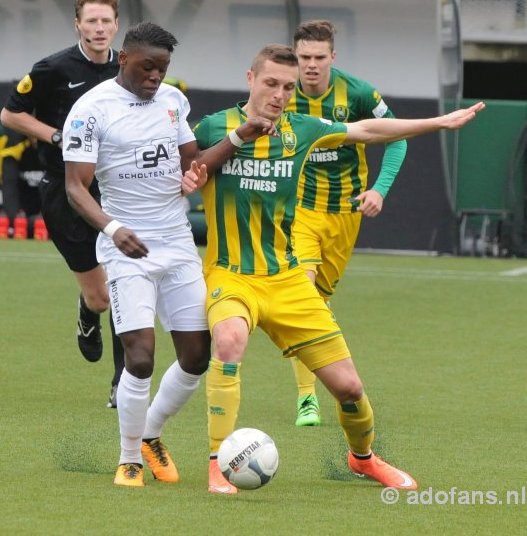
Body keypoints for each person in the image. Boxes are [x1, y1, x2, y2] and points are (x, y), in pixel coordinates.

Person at [180, 44, 484, 494]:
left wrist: (437, 122)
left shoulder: (303, 129)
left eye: (288, 86)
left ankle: (363, 459)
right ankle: (216, 464)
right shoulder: (212, 127)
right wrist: (188, 177)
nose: (280, 94)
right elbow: (180, 168)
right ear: (250, 78)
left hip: (286, 280)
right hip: (231, 273)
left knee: (350, 389)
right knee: (229, 340)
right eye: (271, 83)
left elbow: (366, 129)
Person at [62, 22, 277, 487]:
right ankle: (129, 460)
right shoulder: (90, 110)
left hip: (177, 244)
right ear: (123, 58)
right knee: (139, 358)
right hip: (125, 249)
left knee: (197, 357)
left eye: (163, 69)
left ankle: (150, 435)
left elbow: (191, 164)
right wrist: (114, 229)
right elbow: (75, 187)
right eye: (147, 66)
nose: (155, 76)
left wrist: (239, 137)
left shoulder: (173, 102)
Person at [0, 0, 125, 407]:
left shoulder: (129, 68)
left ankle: (123, 383)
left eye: (106, 21)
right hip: (65, 190)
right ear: (78, 25)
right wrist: (55, 136)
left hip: (115, 189)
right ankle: (88, 311)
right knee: (102, 297)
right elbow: (11, 114)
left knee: (126, 287)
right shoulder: (53, 68)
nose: (99, 28)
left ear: (116, 25)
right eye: (91, 21)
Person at [286, 20, 408, 427]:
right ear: (296, 56)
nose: (311, 65)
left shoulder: (357, 93)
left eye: (320, 58)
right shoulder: (281, 91)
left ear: (332, 58)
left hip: (344, 213)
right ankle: (307, 397)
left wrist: (380, 189)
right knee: (302, 293)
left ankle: (323, 385)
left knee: (318, 301)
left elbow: (397, 136)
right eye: (304, 57)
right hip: (298, 210)